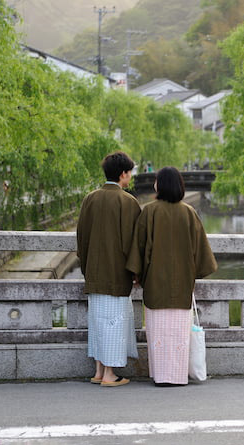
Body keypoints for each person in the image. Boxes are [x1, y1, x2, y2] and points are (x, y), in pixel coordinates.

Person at [127, 167, 218, 386]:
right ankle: (177, 376)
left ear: (160, 185)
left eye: (157, 180)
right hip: (181, 284)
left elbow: (140, 248)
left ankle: (160, 375)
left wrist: (137, 274)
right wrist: (190, 272)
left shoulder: (149, 212)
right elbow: (201, 251)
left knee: (158, 333)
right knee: (178, 334)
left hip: (156, 284)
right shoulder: (188, 212)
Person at [77, 151, 141, 387]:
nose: (130, 177)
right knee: (114, 322)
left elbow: (81, 238)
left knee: (97, 321)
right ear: (123, 174)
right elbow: (135, 243)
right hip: (117, 274)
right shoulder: (128, 202)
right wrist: (135, 272)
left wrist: (86, 267)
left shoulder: (90, 199)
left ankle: (98, 370)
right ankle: (110, 374)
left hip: (94, 272)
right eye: (130, 173)